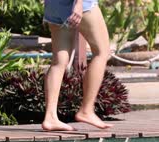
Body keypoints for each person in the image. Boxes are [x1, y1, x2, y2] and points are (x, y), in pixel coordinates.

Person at [42, 0, 113, 131]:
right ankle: (86, 109)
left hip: (53, 5)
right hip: (79, 5)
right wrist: (79, 4)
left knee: (59, 61)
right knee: (102, 52)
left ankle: (50, 117)